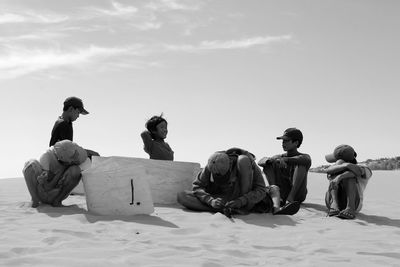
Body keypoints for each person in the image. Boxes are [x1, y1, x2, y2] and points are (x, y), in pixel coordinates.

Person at [177, 148, 300, 217]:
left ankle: (275, 207)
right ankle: (225, 209)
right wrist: (211, 201)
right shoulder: (212, 163)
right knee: (182, 196)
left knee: (273, 189)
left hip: (246, 199)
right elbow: (197, 186)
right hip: (223, 199)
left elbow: (261, 190)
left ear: (230, 165)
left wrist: (241, 201)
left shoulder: (246, 163)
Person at [22, 140, 89, 207]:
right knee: (31, 163)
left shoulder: (74, 150)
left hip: (57, 193)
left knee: (76, 170)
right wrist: (43, 180)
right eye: (70, 160)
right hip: (42, 192)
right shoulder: (46, 156)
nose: (72, 162)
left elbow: (87, 154)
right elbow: (45, 185)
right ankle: (35, 200)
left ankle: (57, 201)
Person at [258, 128, 311, 206]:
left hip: (297, 195)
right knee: (268, 164)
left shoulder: (304, 156)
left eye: (286, 141)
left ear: (296, 143)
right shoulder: (279, 156)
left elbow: (306, 160)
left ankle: (290, 197)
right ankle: (274, 194)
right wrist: (272, 160)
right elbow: (261, 161)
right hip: (282, 193)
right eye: (283, 141)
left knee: (301, 165)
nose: (283, 143)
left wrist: (285, 159)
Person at [324, 144, 372, 219]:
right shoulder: (334, 168)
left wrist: (341, 175)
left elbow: (359, 171)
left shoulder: (365, 168)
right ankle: (334, 204)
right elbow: (327, 170)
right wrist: (343, 165)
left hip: (354, 203)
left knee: (349, 175)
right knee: (336, 170)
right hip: (331, 201)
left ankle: (350, 208)